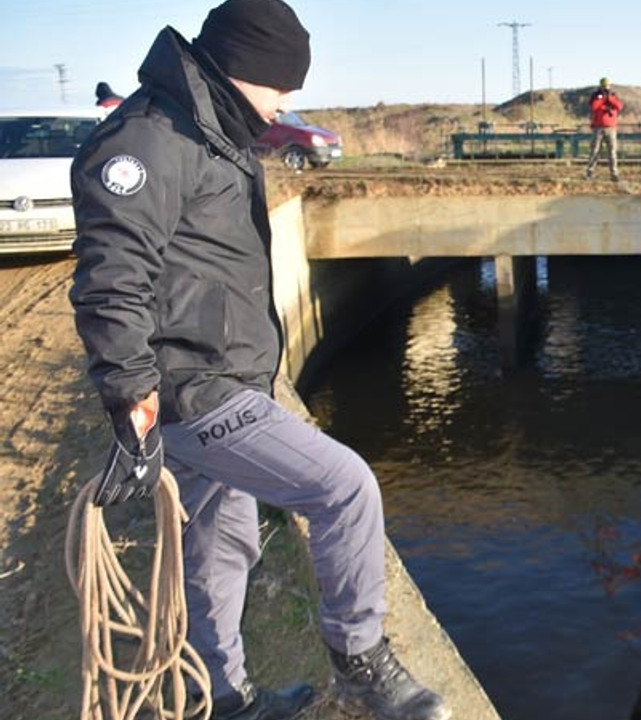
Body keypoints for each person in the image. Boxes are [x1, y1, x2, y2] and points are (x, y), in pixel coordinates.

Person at [67, 2, 451, 720]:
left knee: (222, 542)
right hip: (194, 387)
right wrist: (131, 399)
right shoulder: (150, 140)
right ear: (248, 69)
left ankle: (226, 699)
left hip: (224, 373)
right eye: (285, 85)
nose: (289, 101)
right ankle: (360, 658)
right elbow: (111, 277)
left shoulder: (208, 129)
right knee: (344, 487)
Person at [586, 77, 623, 181]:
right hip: (598, 128)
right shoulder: (596, 96)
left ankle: (614, 174)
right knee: (594, 151)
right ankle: (590, 172)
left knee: (612, 152)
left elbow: (619, 106)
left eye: (607, 86)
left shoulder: (613, 95)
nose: (606, 89)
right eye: (604, 87)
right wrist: (602, 98)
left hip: (611, 128)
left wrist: (610, 98)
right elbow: (594, 107)